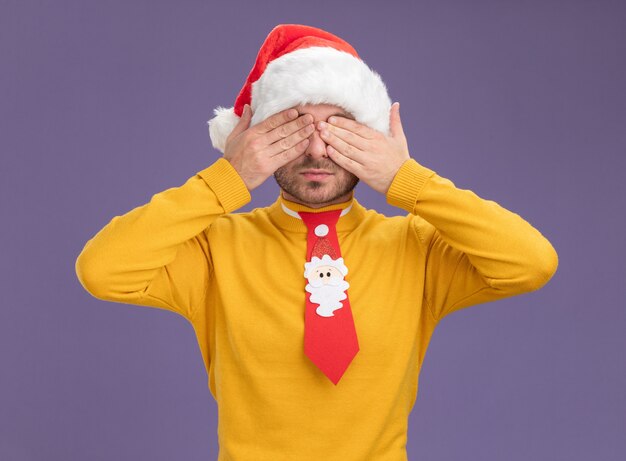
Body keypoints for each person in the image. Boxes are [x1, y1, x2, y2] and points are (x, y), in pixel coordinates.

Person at [75, 24, 558, 461]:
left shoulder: (416, 247)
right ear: (258, 136)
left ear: (370, 136)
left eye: (340, 129)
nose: (315, 149)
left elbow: (531, 263)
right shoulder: (215, 249)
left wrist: (409, 181)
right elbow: (102, 270)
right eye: (293, 128)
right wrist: (225, 180)